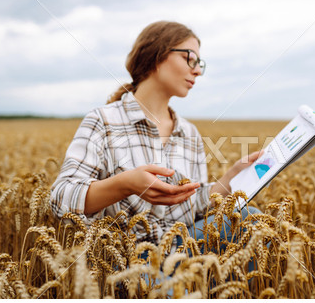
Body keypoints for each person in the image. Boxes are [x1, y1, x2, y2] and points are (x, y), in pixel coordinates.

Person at [50, 21, 262, 250]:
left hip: (183, 252)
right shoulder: (103, 121)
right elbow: (61, 197)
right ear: (156, 55)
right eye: (189, 59)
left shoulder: (189, 133)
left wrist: (232, 176)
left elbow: (195, 207)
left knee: (250, 218)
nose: (198, 70)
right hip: (123, 264)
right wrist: (125, 184)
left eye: (199, 63)